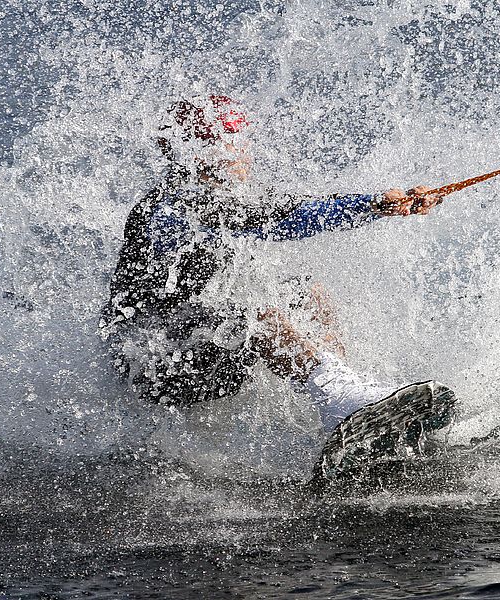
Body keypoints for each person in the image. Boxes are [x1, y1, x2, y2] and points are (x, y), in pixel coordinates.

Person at [101, 95, 445, 434]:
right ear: (194, 153)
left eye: (241, 139)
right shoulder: (168, 207)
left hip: (200, 349)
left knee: (308, 293)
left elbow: (287, 209)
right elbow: (283, 219)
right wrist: (372, 204)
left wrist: (385, 205)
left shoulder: (226, 197)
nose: (242, 151)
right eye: (229, 140)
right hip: (155, 368)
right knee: (251, 311)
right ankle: (339, 400)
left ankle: (351, 404)